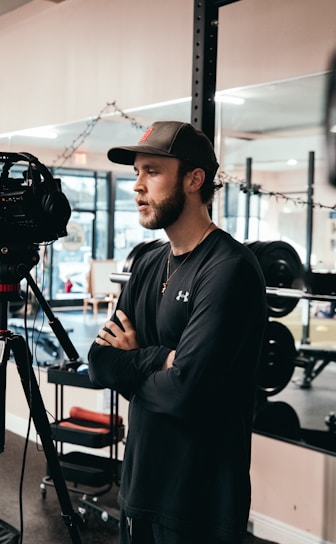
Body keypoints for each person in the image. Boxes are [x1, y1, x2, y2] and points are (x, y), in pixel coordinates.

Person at [87, 121, 267, 544]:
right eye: (136, 173)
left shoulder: (229, 269)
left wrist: (135, 363)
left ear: (193, 179)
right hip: (138, 487)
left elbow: (184, 391)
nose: (137, 186)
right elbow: (98, 363)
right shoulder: (149, 261)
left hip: (199, 504)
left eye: (151, 172)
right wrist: (158, 358)